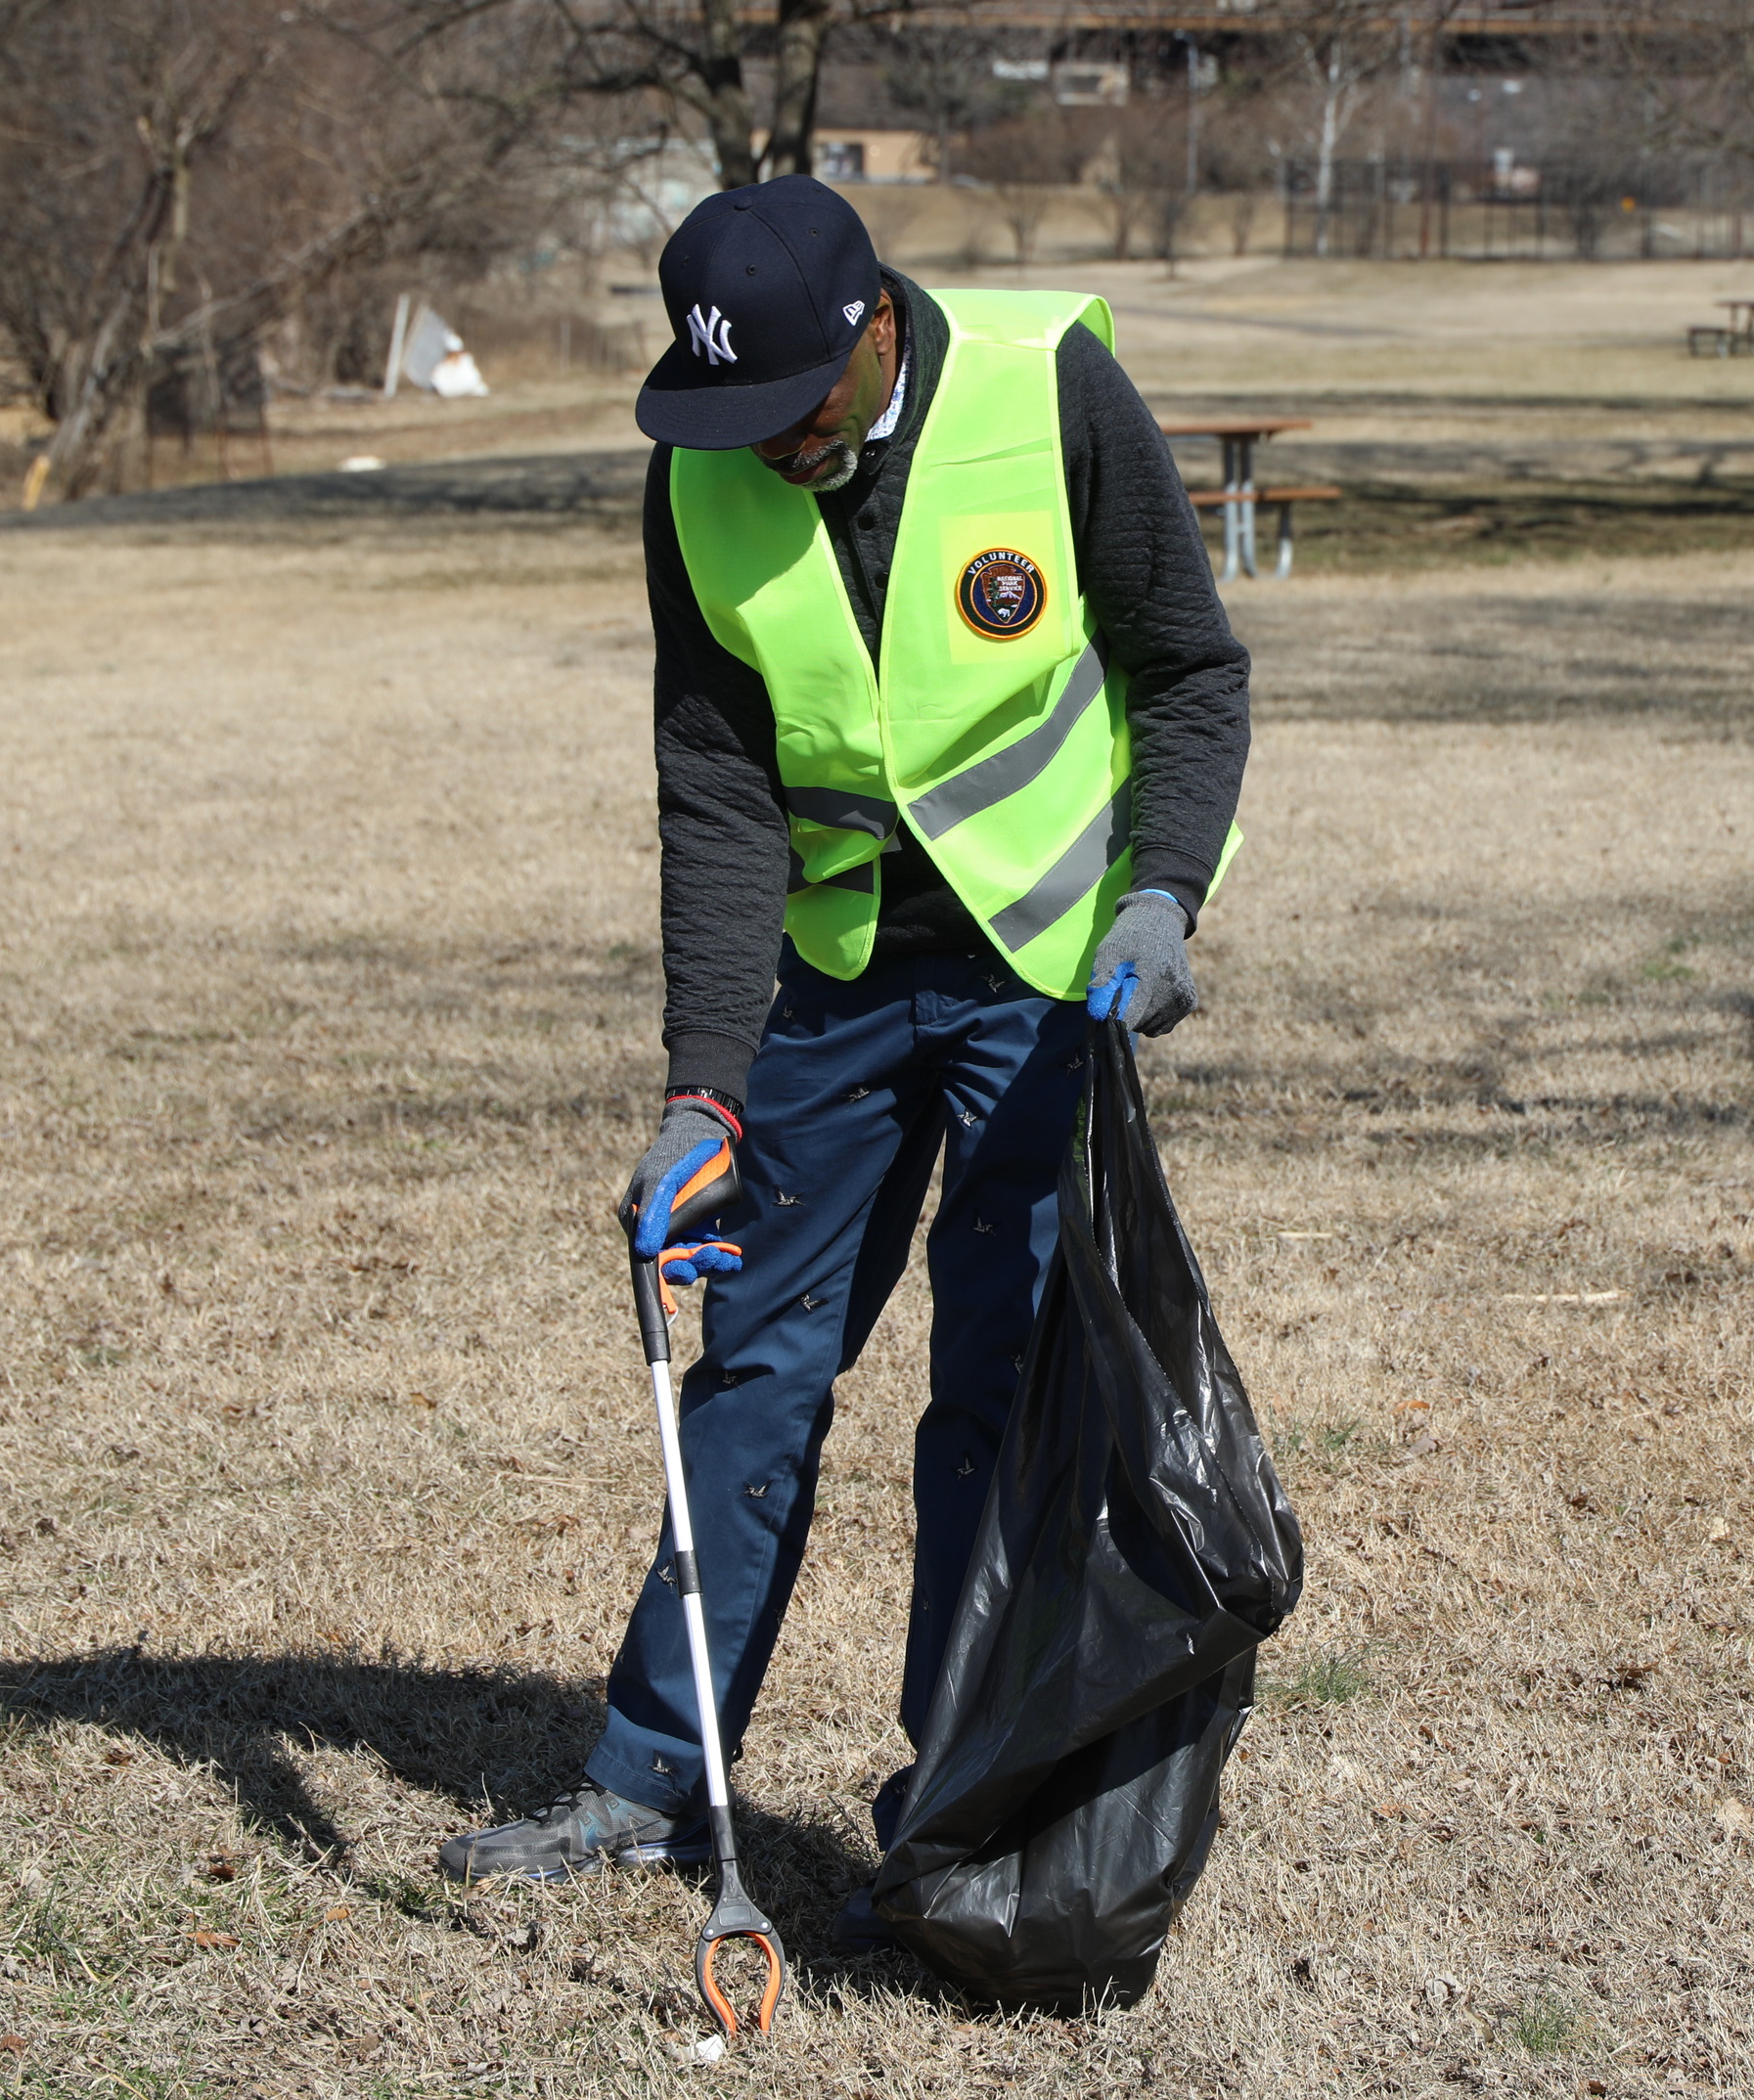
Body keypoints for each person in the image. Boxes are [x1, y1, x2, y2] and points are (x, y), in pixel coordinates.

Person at [437, 177, 1250, 1918]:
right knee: (752, 1373)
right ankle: (658, 1775)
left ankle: (955, 1796)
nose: (771, 455)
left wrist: (1163, 894)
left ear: (879, 328)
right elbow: (718, 782)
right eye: (734, 421)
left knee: (998, 1393)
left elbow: (1186, 668)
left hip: (1045, 982)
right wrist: (702, 1088)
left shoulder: (1048, 391)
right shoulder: (709, 469)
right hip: (838, 976)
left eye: (797, 417)